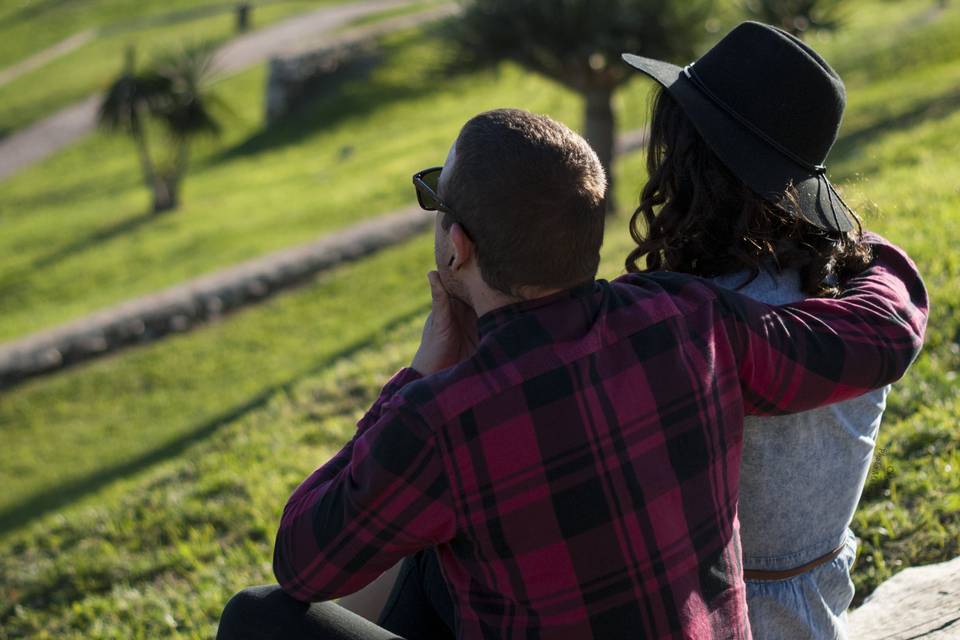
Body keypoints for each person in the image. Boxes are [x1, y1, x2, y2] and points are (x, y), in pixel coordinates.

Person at [216, 106, 927, 639]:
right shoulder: (687, 320)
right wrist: (865, 247)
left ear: (458, 247)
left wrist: (415, 377)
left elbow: (304, 562)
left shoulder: (441, 419)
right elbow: (880, 335)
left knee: (255, 617)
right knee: (434, 562)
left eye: (436, 199)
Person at [620, 21, 896, 637]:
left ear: (691, 160)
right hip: (821, 604)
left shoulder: (678, 325)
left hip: (718, 617)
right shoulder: (853, 296)